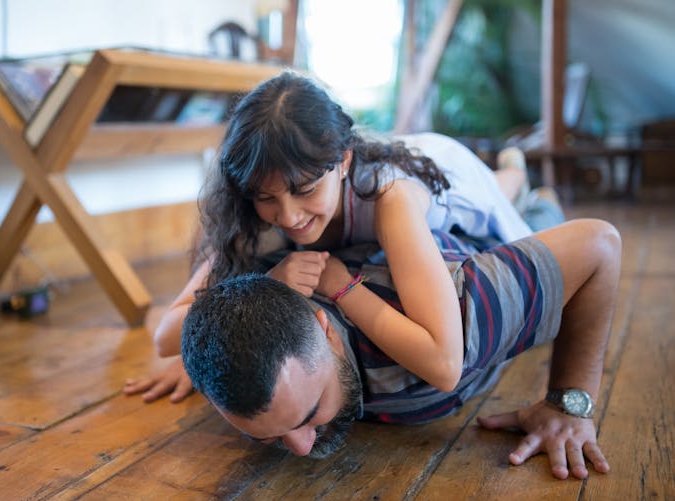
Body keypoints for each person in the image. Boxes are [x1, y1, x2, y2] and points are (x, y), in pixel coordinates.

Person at [124, 71, 563, 395]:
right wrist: (262, 287)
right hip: (404, 160)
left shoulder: (390, 199)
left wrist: (341, 285)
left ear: (344, 161)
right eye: (266, 197)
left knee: (517, 205)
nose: (289, 216)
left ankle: (516, 170)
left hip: (451, 175)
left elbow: (446, 365)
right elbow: (166, 337)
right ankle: (513, 171)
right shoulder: (255, 210)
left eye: (305, 190)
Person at [179, 219, 621, 480]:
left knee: (532, 209)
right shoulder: (240, 365)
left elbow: (599, 245)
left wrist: (568, 402)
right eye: (268, 436)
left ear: (326, 330)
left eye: (310, 412)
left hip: (482, 234)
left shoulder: (463, 315)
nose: (299, 447)